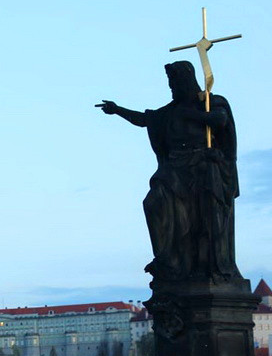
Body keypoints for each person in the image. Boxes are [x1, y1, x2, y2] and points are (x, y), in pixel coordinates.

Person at [99, 60, 238, 282]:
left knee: (206, 218)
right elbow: (144, 120)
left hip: (203, 166)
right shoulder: (170, 111)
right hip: (175, 168)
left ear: (186, 82)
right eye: (170, 84)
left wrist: (189, 114)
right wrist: (117, 110)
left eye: (174, 83)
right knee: (153, 203)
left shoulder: (210, 101)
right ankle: (168, 259)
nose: (172, 88)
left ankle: (207, 266)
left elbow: (220, 120)